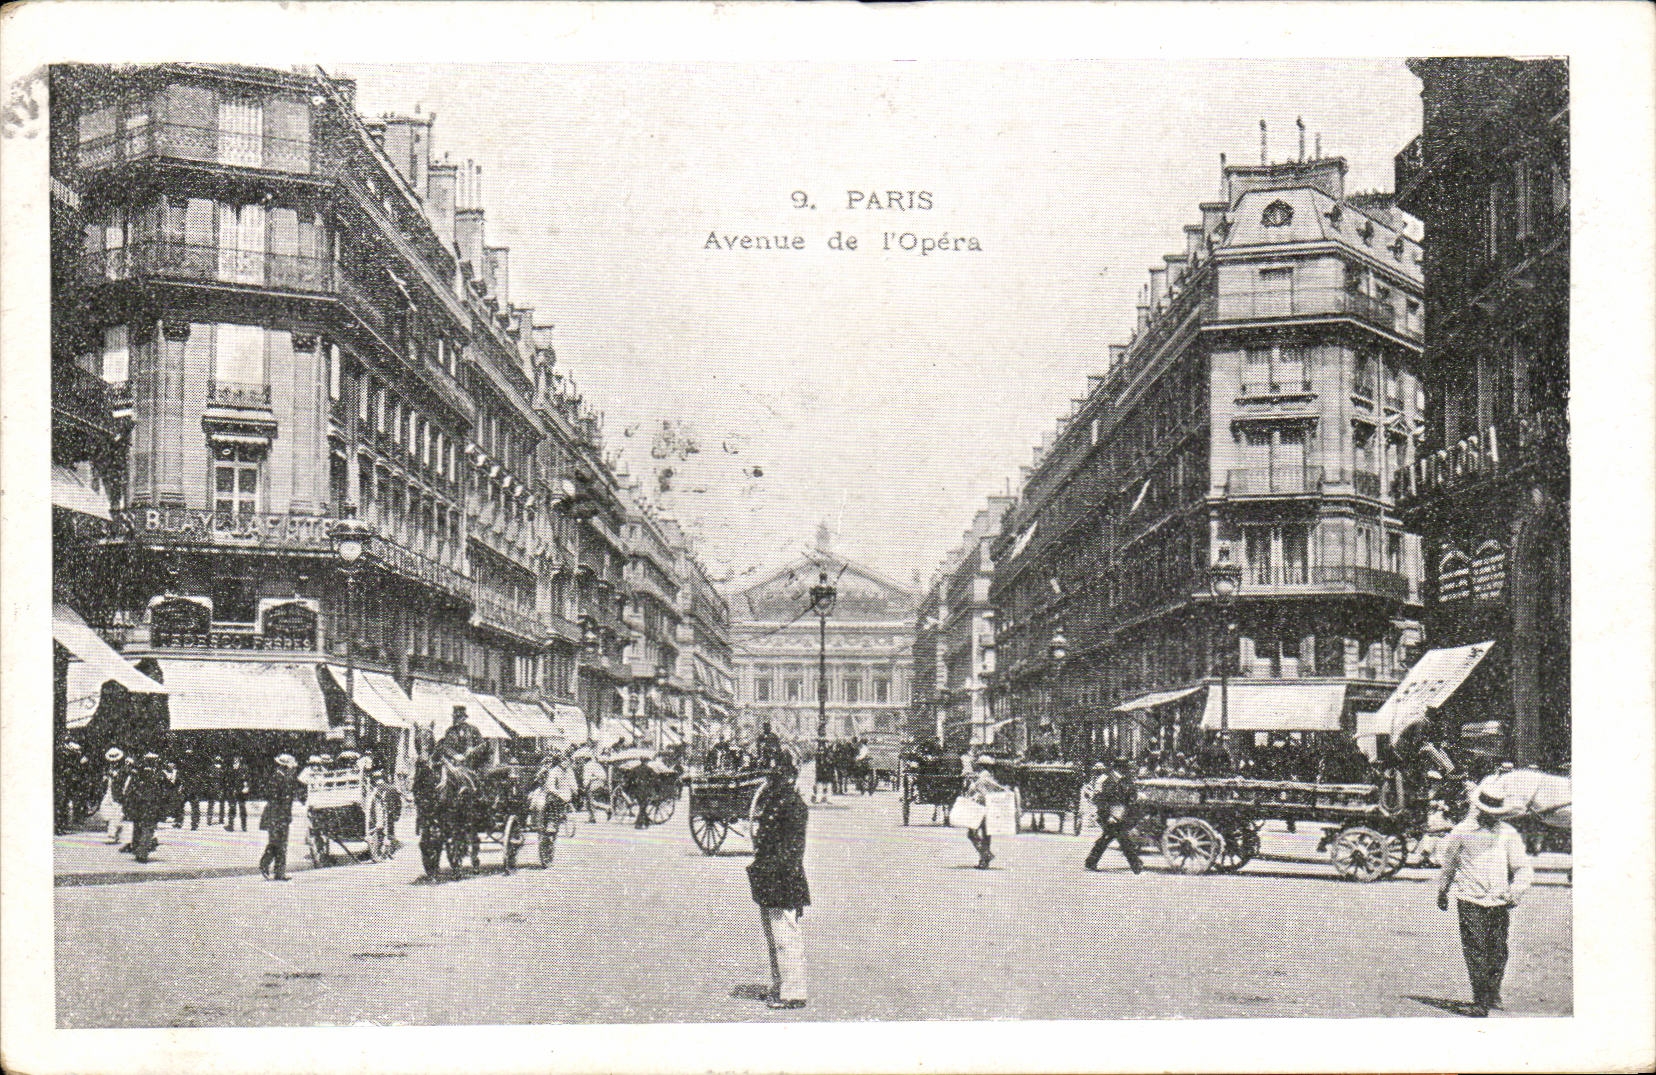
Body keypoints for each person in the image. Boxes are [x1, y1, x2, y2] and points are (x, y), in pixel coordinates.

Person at [1435, 778, 1534, 1016]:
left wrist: (1516, 890)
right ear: (1479, 809)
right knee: (1476, 949)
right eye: (1487, 812)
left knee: (1498, 949)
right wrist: (1443, 890)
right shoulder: (1461, 833)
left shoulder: (1508, 834)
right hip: (1470, 899)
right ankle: (1480, 999)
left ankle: (1493, 992)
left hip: (1499, 900)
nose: (1491, 817)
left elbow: (1522, 867)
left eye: (1496, 813)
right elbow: (1449, 864)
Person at [748, 748, 810, 1010]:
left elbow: (790, 849)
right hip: (771, 875)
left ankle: (793, 992)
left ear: (789, 777)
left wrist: (777, 873)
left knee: (785, 937)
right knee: (775, 937)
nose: (772, 780)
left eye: (777, 775)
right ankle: (780, 985)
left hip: (782, 877)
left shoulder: (792, 805)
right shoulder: (778, 802)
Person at [1083, 760, 1144, 874]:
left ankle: (1091, 861)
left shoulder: (1121, 779)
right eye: (1126, 768)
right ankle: (1136, 864)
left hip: (1119, 814)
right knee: (1123, 839)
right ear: (1121, 768)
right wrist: (1109, 816)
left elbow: (1130, 794)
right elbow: (1102, 799)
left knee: (1108, 838)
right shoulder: (1109, 780)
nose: (1128, 770)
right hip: (1111, 815)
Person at [260, 754, 304, 881]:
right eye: (291, 766)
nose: (293, 769)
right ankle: (264, 864)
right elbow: (275, 799)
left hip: (281, 816)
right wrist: (280, 815)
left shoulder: (285, 777)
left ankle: (279, 872)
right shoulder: (277, 777)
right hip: (275, 815)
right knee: (275, 842)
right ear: (285, 766)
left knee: (282, 844)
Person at [963, 754, 1007, 869]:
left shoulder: (982, 778)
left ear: (981, 766)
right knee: (987, 835)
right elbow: (1001, 790)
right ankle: (984, 860)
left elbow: (975, 791)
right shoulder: (991, 778)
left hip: (981, 809)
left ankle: (985, 855)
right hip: (991, 809)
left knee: (972, 833)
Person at [125, 752, 169, 862]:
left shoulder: (138, 773)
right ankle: (142, 851)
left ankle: (137, 848)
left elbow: (130, 789)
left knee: (138, 827)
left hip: (138, 805)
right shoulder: (160, 775)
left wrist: (129, 803)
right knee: (148, 828)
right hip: (152, 805)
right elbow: (166, 792)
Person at [98, 748, 127, 844]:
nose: (113, 762)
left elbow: (123, 780)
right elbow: (104, 779)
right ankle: (115, 832)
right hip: (109, 792)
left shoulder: (123, 769)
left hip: (118, 793)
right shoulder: (108, 768)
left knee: (116, 814)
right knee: (105, 811)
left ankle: (112, 835)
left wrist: (115, 776)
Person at [224, 755, 250, 832]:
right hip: (232, 791)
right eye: (234, 759)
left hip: (241, 791)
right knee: (232, 808)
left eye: (237, 759)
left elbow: (247, 778)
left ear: (239, 760)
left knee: (242, 808)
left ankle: (244, 826)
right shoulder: (230, 768)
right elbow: (227, 779)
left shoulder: (244, 768)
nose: (235, 761)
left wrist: (246, 786)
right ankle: (231, 825)